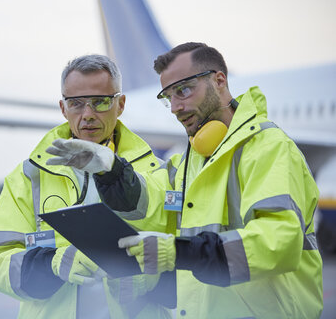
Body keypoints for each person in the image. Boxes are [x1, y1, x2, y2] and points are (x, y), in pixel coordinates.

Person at [48, 43, 323, 318]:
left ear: (219, 81)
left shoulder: (268, 148)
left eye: (183, 90)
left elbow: (279, 242)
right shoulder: (190, 162)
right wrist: (111, 169)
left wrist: (179, 252)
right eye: (168, 96)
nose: (175, 108)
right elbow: (151, 203)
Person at [0, 54, 175, 319]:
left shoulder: (159, 174)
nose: (88, 115)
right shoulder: (28, 177)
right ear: (63, 108)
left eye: (100, 102)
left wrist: (152, 280)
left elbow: (189, 258)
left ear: (120, 104)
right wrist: (52, 265)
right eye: (76, 104)